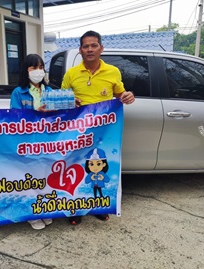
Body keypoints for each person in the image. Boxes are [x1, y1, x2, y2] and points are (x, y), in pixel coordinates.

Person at [61, 30, 135, 225]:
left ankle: (99, 207)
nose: (90, 49)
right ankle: (74, 209)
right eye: (86, 46)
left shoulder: (113, 72)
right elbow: (61, 99)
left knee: (99, 169)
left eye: (94, 45)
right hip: (77, 132)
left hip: (102, 132)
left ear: (101, 48)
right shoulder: (71, 74)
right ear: (80, 50)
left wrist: (127, 96)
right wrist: (70, 101)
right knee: (76, 168)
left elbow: (120, 94)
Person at [10, 53, 53, 230]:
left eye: (41, 67)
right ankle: (31, 214)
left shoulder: (49, 91)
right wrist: (36, 112)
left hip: (48, 142)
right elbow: (14, 118)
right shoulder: (18, 92)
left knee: (45, 178)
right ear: (26, 70)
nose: (38, 71)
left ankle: (43, 210)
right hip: (28, 143)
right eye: (33, 67)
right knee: (29, 179)